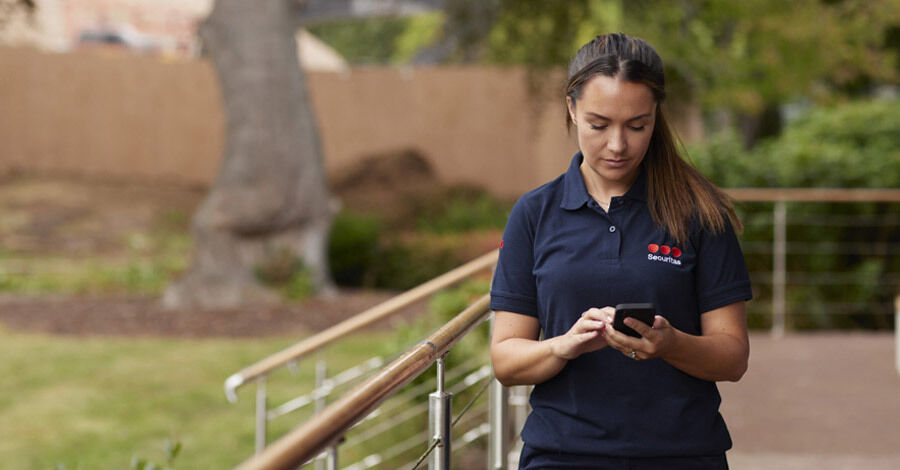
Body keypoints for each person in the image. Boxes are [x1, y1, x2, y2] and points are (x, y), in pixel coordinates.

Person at [490, 33, 753, 470]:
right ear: (571, 109)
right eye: (599, 124)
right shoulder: (534, 213)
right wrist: (563, 346)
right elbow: (505, 359)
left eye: (637, 126)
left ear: (656, 117)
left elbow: (733, 356)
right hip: (562, 455)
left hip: (682, 455)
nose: (617, 145)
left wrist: (671, 344)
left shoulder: (701, 212)